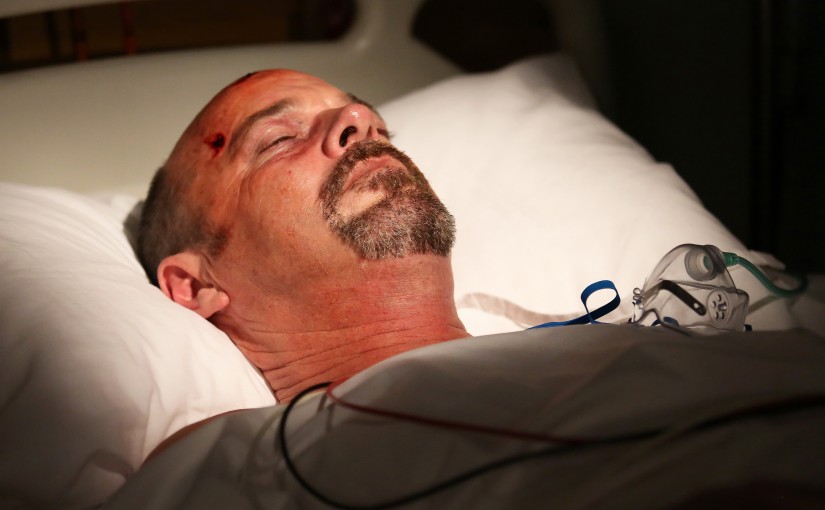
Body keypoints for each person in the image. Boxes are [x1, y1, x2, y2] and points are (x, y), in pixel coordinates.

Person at [138, 69, 471, 403]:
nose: (360, 118)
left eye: (381, 130)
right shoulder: (232, 439)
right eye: (279, 139)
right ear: (195, 285)